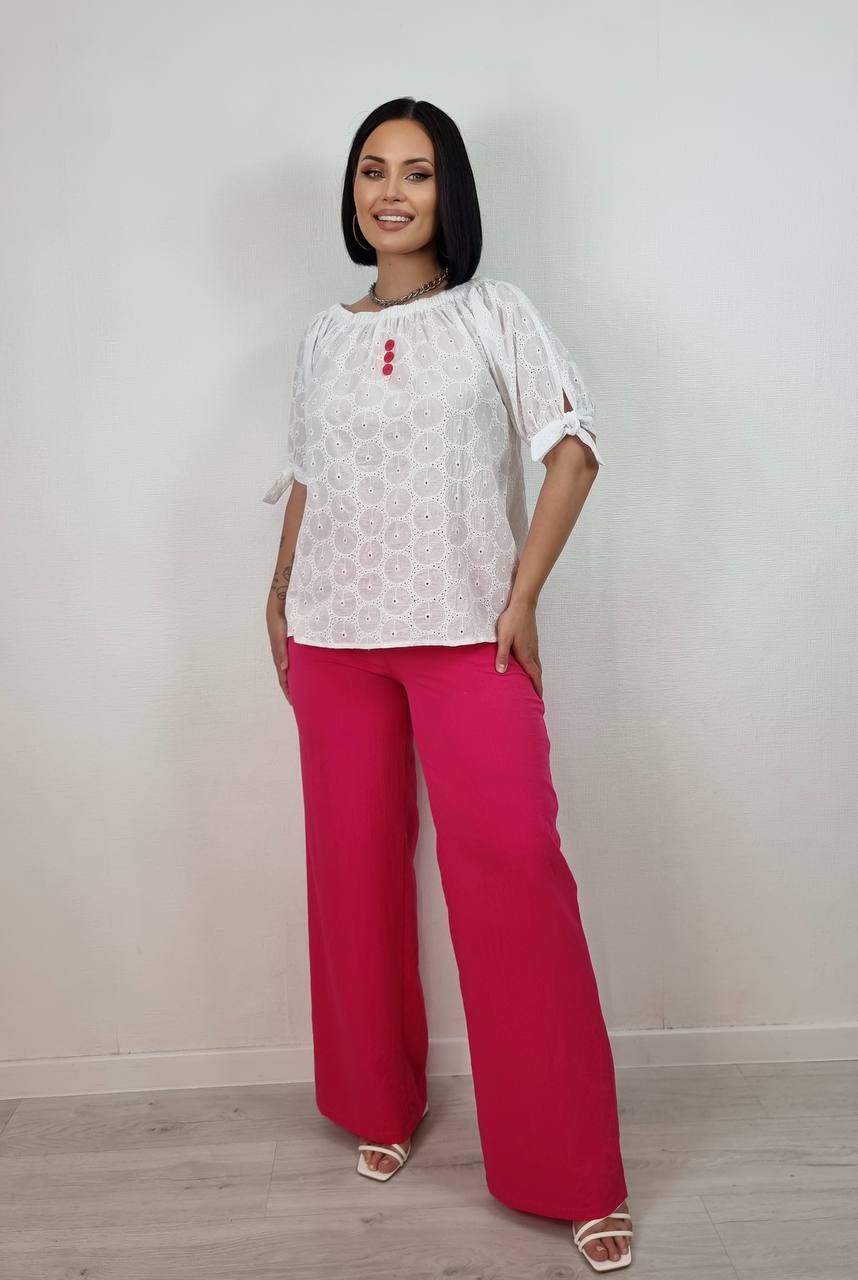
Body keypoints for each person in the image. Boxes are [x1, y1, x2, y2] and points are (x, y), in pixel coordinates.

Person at [263, 97, 634, 1272]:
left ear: (449, 191)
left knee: (513, 868)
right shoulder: (322, 336)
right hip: (334, 639)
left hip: (469, 630)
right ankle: (379, 1100)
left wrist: (521, 597)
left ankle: (573, 1167)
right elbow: (310, 473)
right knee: (352, 869)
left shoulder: (494, 312)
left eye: (416, 172)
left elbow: (572, 446)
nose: (391, 191)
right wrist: (279, 588)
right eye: (373, 169)